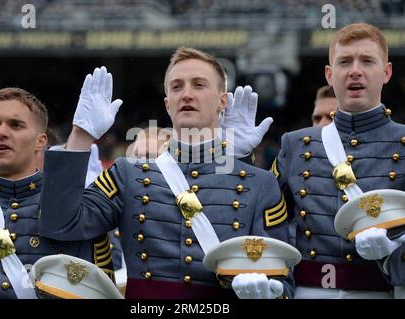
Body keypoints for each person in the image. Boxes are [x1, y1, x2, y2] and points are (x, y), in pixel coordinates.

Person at [40, 47, 295, 299]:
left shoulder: (261, 184)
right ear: (167, 104)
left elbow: (283, 280)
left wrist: (267, 295)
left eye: (198, 85)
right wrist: (80, 137)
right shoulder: (127, 174)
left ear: (222, 101)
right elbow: (62, 224)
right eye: (176, 87)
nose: (186, 94)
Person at [271, 23, 405, 298]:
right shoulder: (295, 145)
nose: (355, 70)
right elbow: (263, 223)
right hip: (308, 291)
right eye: (345, 62)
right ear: (330, 75)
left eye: (367, 61)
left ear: (387, 72)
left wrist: (396, 251)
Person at [0, 87, 115, 298]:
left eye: (15, 125)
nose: (1, 132)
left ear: (41, 141)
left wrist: (80, 138)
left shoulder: (76, 211)